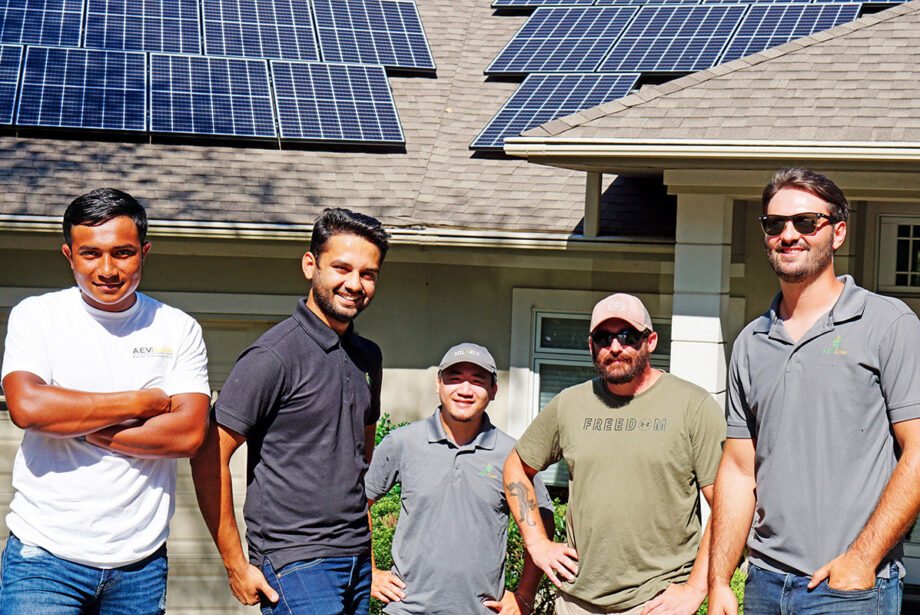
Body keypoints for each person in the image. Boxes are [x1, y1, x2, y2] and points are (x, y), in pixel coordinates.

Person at [708, 167, 920, 615]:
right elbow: (739, 469)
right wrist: (720, 580)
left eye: (806, 222)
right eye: (775, 224)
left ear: (837, 233)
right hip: (763, 585)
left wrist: (862, 560)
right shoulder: (751, 341)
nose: (789, 234)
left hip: (850, 589)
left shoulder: (888, 323)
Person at [0, 188, 211, 614]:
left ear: (144, 252)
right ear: (69, 255)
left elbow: (188, 434)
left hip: (140, 562)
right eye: (91, 254)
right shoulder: (37, 317)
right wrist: (141, 401)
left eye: (123, 253)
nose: (108, 269)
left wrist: (75, 420)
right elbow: (28, 407)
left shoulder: (177, 328)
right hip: (45, 556)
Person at [191, 208, 389, 615]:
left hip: (355, 561)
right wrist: (235, 565)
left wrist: (368, 557)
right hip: (295, 561)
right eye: (342, 268)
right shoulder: (274, 355)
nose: (354, 284)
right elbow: (210, 454)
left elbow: (359, 461)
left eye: (368, 273)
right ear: (310, 265)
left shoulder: (368, 357)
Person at [503, 293, 725, 615]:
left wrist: (697, 588)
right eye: (604, 338)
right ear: (591, 346)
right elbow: (516, 466)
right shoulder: (570, 404)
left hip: (656, 603)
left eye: (627, 336)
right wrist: (537, 542)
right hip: (576, 601)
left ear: (650, 341)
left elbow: (726, 503)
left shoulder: (693, 406)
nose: (615, 347)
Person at [365, 343, 555, 615]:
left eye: (477, 381)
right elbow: (358, 504)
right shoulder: (402, 443)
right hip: (406, 610)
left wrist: (525, 595)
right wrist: (369, 572)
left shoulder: (512, 456)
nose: (465, 390)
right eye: (454, 379)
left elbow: (543, 519)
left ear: (493, 391)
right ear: (438, 385)